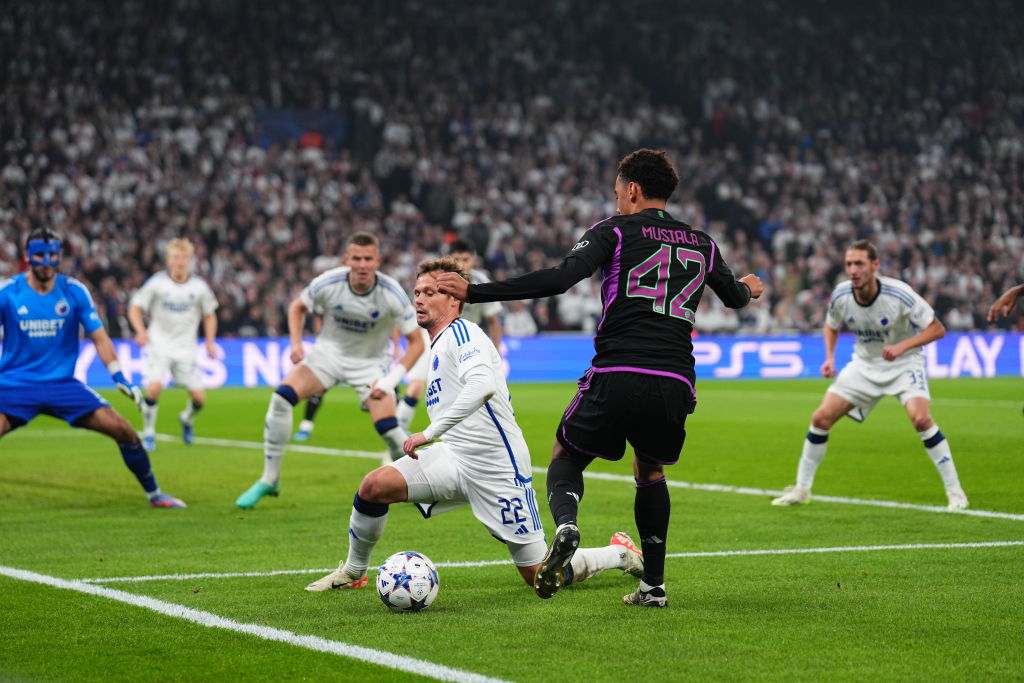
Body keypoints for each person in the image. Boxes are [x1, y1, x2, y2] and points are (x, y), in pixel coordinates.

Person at [435, 148, 764, 607]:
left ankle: (568, 525)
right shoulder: (702, 243)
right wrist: (750, 285)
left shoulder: (614, 230)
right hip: (675, 378)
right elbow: (735, 298)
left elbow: (559, 279)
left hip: (618, 369)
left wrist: (476, 292)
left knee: (566, 455)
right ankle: (653, 587)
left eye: (617, 193)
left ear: (633, 190)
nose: (616, 201)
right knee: (650, 470)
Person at [305, 257, 642, 593]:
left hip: (497, 466)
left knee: (538, 574)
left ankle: (619, 553)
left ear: (454, 299)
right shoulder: (437, 343)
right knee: (374, 487)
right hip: (453, 457)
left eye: (430, 292)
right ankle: (353, 571)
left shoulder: (463, 333)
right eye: (417, 292)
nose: (419, 299)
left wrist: (429, 433)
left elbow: (482, 385)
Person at [771, 240, 968, 510]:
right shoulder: (841, 294)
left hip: (904, 363)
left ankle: (955, 492)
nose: (853, 270)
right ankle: (801, 489)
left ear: (875, 265)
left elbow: (936, 329)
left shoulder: (899, 293)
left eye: (859, 264)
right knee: (820, 418)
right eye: (849, 264)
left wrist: (902, 346)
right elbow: (831, 325)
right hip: (864, 365)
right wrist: (829, 357)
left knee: (921, 419)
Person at [235, 232, 424, 509]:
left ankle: (414, 486)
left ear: (378, 260)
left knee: (388, 427)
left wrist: (391, 380)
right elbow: (297, 307)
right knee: (281, 398)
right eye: (356, 258)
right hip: (328, 356)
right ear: (346, 259)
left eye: (368, 259)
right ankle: (269, 479)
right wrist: (296, 343)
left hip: (370, 363)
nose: (362, 264)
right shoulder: (328, 282)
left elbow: (417, 342)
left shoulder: (391, 292)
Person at [0, 229, 186, 508]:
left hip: (62, 385)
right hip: (16, 384)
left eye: (52, 255)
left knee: (124, 430)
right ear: (27, 256)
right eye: (39, 255)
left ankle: (155, 494)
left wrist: (119, 376)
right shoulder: (8, 293)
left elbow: (99, 337)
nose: (46, 262)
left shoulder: (74, 291)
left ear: (60, 256)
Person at [395, 239, 504, 431]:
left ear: (473, 260)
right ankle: (397, 435)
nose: (461, 264)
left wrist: (496, 350)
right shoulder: (435, 279)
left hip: (464, 343)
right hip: (431, 339)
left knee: (469, 391)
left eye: (466, 259)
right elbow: (409, 313)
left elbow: (494, 321)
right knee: (416, 387)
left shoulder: (481, 282)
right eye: (457, 259)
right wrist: (398, 344)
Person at [128, 238, 218, 452]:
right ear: (168, 260)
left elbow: (209, 314)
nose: (180, 262)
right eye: (176, 257)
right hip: (158, 344)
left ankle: (186, 418)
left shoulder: (199, 287)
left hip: (186, 348)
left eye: (184, 258)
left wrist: (210, 342)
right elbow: (135, 307)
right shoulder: (157, 283)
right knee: (153, 389)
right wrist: (140, 331)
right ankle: (149, 433)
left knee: (199, 399)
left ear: (190, 260)